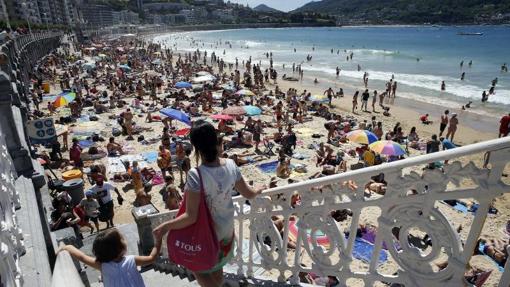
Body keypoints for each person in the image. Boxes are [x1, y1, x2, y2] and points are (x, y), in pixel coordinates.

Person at [153, 120, 264, 287]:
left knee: (198, 268)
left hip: (207, 234)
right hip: (226, 231)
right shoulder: (232, 165)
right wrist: (259, 189)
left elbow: (191, 216)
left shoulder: (195, 175)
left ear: (196, 148)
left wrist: (166, 227)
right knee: (217, 266)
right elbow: (248, 193)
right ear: (216, 141)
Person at [58, 228, 162, 287]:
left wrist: (68, 247)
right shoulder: (132, 260)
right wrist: (158, 240)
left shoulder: (102, 265)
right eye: (122, 239)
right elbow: (151, 258)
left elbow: (82, 257)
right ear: (120, 247)